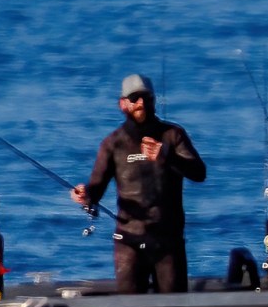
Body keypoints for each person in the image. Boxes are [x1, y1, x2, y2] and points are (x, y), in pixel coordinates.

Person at [71, 74, 206, 294]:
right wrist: (85, 196)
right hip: (128, 242)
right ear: (122, 104)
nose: (141, 103)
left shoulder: (173, 135)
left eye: (146, 97)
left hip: (168, 241)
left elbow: (199, 173)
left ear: (153, 100)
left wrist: (166, 155)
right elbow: (97, 188)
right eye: (135, 98)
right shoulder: (112, 143)